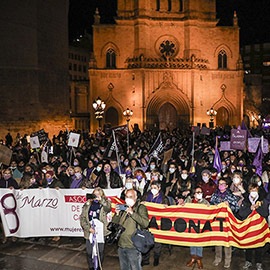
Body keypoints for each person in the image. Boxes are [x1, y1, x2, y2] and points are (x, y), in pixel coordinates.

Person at [112, 189, 149, 270]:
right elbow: (114, 224)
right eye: (126, 197)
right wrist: (117, 214)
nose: (128, 199)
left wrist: (132, 213)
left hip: (133, 245)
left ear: (136, 197)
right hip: (121, 244)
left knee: (135, 267)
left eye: (131, 197)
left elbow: (145, 223)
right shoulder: (123, 207)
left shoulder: (141, 208)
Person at [239, 183, 269, 270]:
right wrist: (250, 209)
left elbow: (265, 213)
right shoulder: (245, 201)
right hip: (248, 228)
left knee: (259, 246)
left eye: (255, 190)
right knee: (249, 245)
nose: (254, 192)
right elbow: (241, 213)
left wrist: (258, 208)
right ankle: (248, 261)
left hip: (259, 228)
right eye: (252, 190)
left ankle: (258, 262)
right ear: (249, 191)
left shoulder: (262, 201)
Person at [211, 178, 239, 269]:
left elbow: (236, 208)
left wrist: (229, 205)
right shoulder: (215, 194)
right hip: (217, 221)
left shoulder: (230, 195)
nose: (221, 185)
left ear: (227, 186)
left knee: (227, 241)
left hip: (227, 222)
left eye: (223, 184)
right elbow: (210, 204)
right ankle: (218, 258)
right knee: (218, 240)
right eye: (219, 184)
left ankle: (227, 260)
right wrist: (213, 206)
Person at [80, 188, 111, 270]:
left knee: (100, 251)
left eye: (98, 194)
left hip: (101, 231)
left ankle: (98, 267)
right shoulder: (87, 204)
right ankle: (91, 267)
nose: (96, 196)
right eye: (95, 194)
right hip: (90, 231)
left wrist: (101, 200)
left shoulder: (105, 203)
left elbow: (108, 208)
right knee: (89, 252)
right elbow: (82, 218)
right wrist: (88, 228)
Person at [141, 181, 168, 266]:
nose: (153, 190)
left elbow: (168, 212)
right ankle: (145, 259)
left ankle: (156, 258)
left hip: (157, 224)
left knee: (157, 242)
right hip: (147, 222)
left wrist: (166, 207)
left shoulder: (164, 198)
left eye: (155, 188)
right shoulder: (146, 196)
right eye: (152, 188)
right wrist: (141, 203)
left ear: (159, 188)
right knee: (146, 240)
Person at [183, 186, 209, 269]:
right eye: (197, 192)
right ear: (194, 194)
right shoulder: (188, 200)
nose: (199, 194)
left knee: (199, 243)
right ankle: (193, 258)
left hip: (200, 226)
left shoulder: (204, 202)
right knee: (192, 242)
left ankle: (199, 259)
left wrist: (209, 207)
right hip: (191, 225)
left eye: (200, 192)